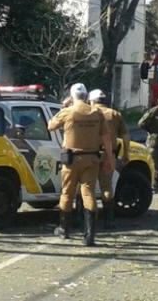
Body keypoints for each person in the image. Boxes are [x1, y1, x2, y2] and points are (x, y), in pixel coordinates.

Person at [48, 83, 114, 246]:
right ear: (86, 96)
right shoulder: (96, 112)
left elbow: (50, 126)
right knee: (88, 194)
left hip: (71, 160)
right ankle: (89, 236)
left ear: (72, 96)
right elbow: (106, 137)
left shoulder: (67, 112)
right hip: (91, 159)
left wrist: (64, 106)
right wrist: (109, 158)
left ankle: (64, 230)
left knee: (67, 194)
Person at [88, 88, 130, 229]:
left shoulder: (89, 112)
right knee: (107, 187)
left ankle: (84, 220)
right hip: (109, 154)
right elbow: (125, 136)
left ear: (92, 101)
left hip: (90, 154)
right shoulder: (114, 114)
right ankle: (108, 220)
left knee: (87, 187)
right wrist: (126, 155)